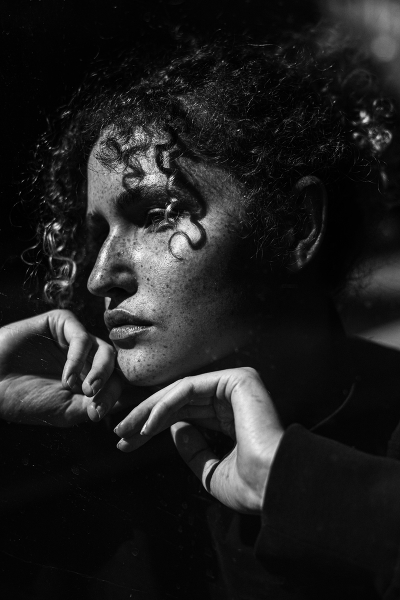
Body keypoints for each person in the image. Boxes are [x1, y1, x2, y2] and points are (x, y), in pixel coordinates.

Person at [2, 30, 400, 598]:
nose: (99, 276)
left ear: (295, 225)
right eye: (97, 234)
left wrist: (294, 483)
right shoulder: (97, 475)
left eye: (156, 215)